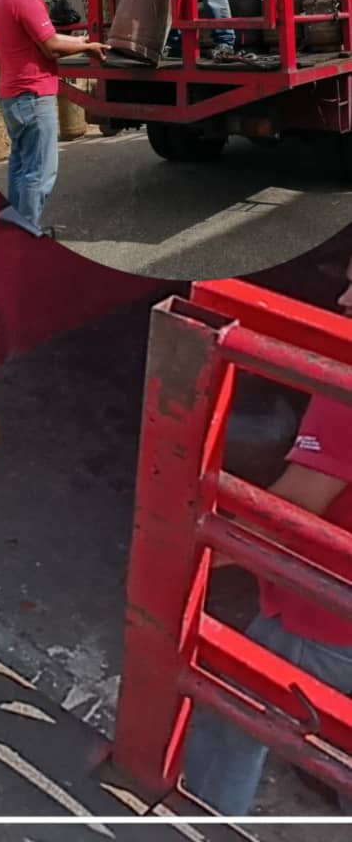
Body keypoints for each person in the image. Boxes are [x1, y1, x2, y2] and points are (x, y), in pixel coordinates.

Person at [183, 254, 352, 814]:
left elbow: (293, 512)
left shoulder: (345, 388)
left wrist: (189, 546)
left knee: (231, 715)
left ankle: (200, 820)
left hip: (323, 615)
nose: (345, 302)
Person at [0, 0, 108, 234]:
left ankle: (15, 230)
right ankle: (28, 235)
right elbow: (52, 48)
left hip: (13, 96)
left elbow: (46, 40)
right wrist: (87, 48)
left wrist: (82, 41)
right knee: (39, 174)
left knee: (20, 168)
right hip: (32, 95)